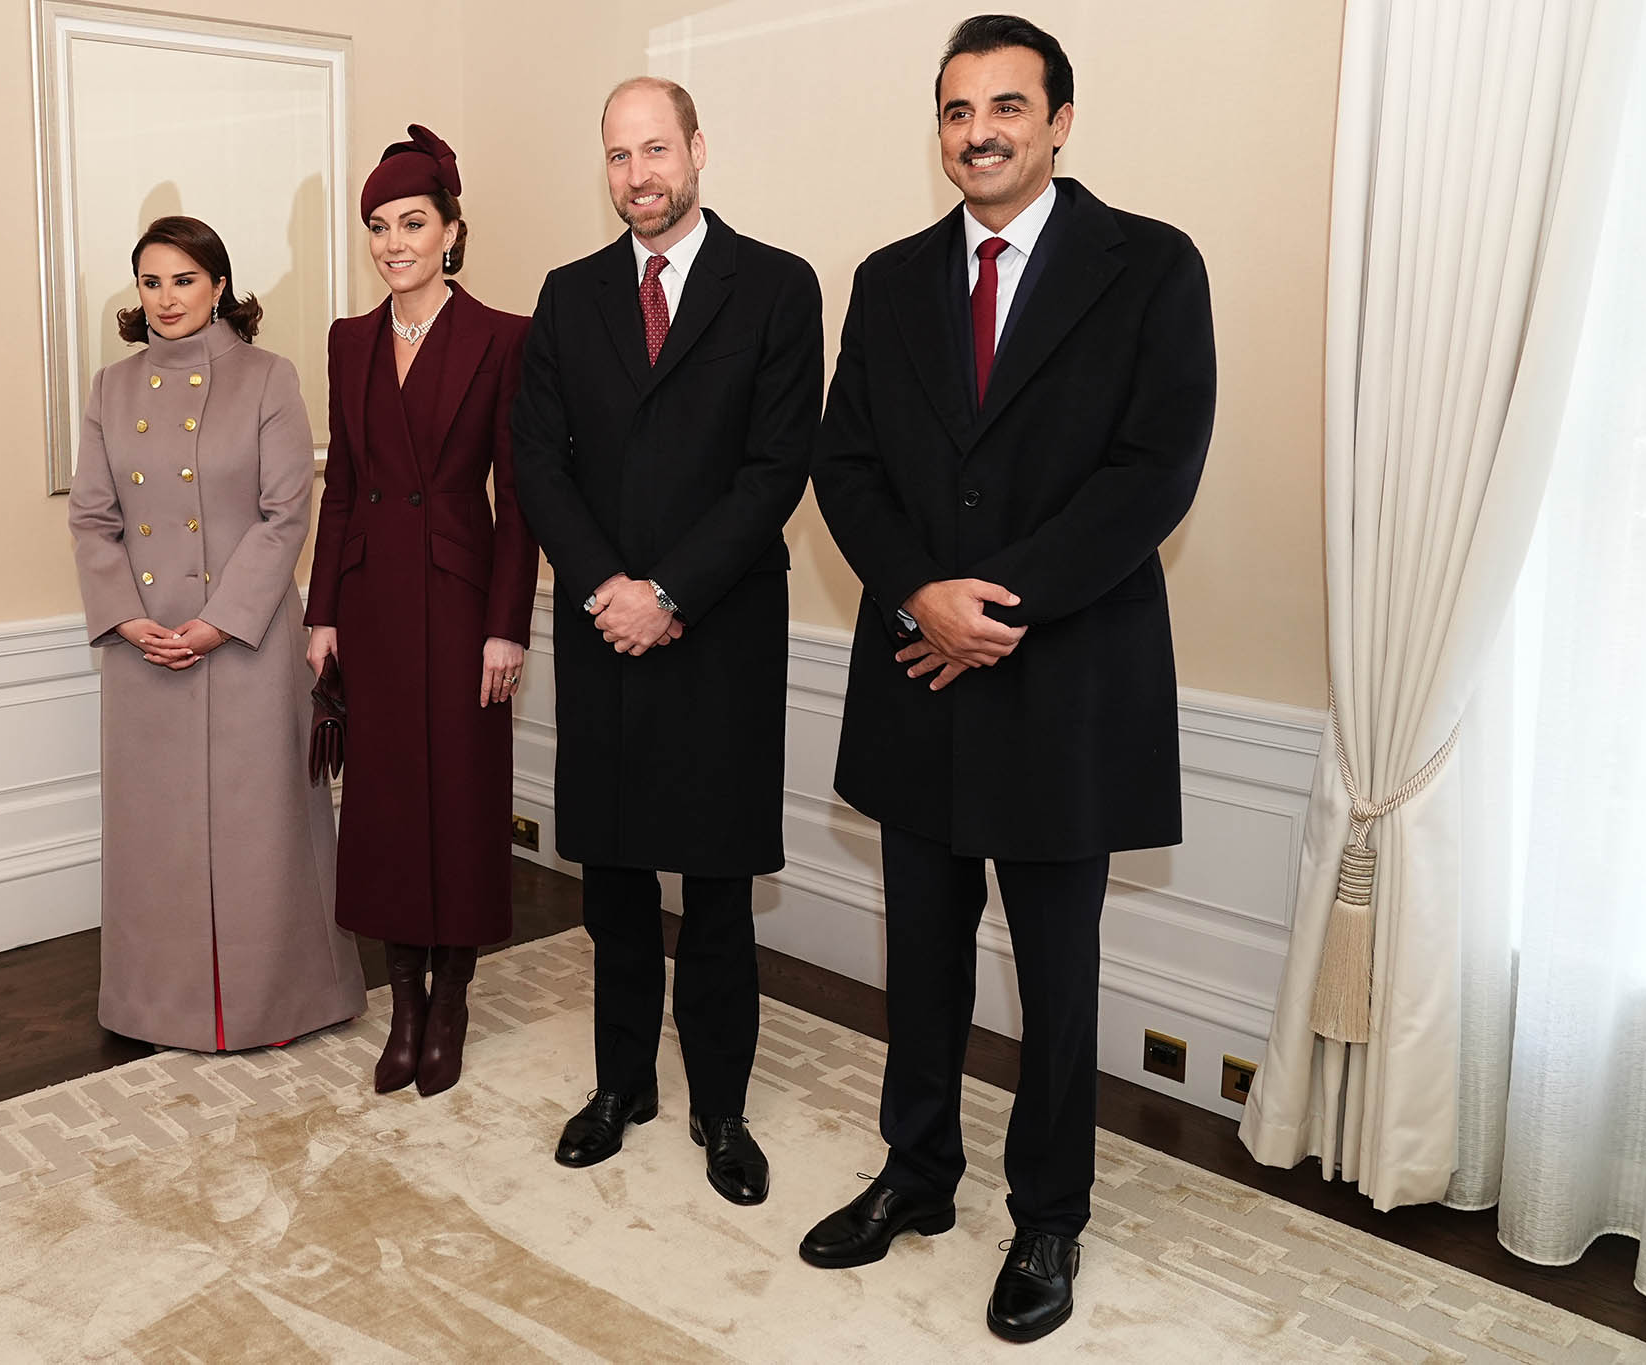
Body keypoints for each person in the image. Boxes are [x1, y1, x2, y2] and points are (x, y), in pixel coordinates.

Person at [801, 14, 1215, 1344]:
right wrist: (921, 593)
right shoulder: (888, 276)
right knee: (916, 957)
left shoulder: (1149, 267)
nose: (978, 131)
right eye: (956, 109)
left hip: (1064, 683)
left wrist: (1000, 607)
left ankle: (1051, 1216)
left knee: (1056, 973)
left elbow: (1155, 470)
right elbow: (845, 463)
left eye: (1006, 106)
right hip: (919, 669)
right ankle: (916, 1175)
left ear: (1060, 120)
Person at [511, 77, 822, 1207]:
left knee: (720, 888)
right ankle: (618, 1088)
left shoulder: (777, 287)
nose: (636, 175)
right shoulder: (568, 294)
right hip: (603, 632)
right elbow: (538, 460)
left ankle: (722, 1110)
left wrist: (671, 592)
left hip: (720, 631)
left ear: (697, 149)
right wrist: (607, 586)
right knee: (614, 882)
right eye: (615, 156)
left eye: (654, 150)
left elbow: (774, 468)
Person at [68, 215, 367, 1053]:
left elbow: (285, 515)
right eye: (151, 282)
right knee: (154, 837)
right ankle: (154, 1004)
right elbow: (93, 519)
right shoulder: (109, 389)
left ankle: (287, 1000)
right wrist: (128, 616)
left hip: (248, 638)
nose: (166, 299)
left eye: (183, 280)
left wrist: (217, 622)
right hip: (144, 647)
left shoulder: (270, 378)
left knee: (265, 828)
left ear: (220, 286)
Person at [305, 125, 537, 1098]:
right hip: (369, 605)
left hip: (458, 600)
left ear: (450, 231)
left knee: (460, 804)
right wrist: (320, 612)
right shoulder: (349, 340)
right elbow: (342, 485)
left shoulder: (504, 337)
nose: (391, 241)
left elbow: (518, 497)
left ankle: (451, 1002)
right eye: (376, 226)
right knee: (388, 810)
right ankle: (401, 1003)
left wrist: (507, 625)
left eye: (411, 222)